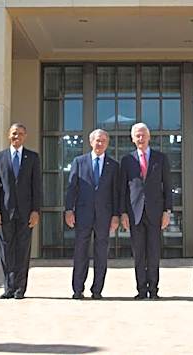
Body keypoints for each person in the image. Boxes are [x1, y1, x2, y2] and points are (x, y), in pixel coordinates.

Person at [64, 128, 120, 299]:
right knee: (81, 252)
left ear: (107, 143)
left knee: (101, 254)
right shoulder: (79, 162)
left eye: (103, 140)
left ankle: (97, 290)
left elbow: (116, 193)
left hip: (105, 215)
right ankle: (77, 289)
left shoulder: (113, 165)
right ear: (91, 142)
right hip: (83, 214)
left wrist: (116, 215)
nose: (100, 143)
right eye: (97, 140)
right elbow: (72, 188)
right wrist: (68, 210)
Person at [120, 122, 173, 300]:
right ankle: (141, 290)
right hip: (134, 213)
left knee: (154, 253)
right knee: (139, 254)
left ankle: (154, 289)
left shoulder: (160, 158)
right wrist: (123, 213)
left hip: (155, 212)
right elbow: (123, 190)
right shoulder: (127, 160)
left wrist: (167, 211)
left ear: (149, 137)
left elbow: (168, 186)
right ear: (132, 138)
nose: (141, 138)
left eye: (143, 135)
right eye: (137, 135)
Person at [0, 123, 42, 300]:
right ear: (8, 135)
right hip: (5, 213)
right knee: (6, 252)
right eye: (14, 133)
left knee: (22, 251)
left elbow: (37, 187)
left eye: (20, 133)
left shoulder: (33, 158)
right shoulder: (0, 157)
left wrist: (36, 211)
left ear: (25, 136)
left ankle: (20, 288)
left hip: (26, 213)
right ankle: (8, 287)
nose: (17, 136)